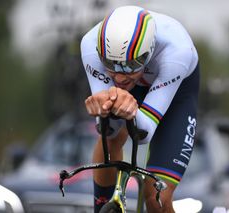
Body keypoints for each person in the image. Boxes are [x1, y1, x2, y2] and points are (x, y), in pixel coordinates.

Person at [80, 5, 199, 213]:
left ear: (150, 50)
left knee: (155, 198)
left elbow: (143, 134)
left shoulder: (178, 51)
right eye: (110, 63)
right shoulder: (90, 45)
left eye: (130, 65)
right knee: (109, 133)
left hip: (175, 91)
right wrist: (105, 106)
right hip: (131, 91)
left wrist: (129, 108)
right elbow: (107, 126)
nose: (118, 76)